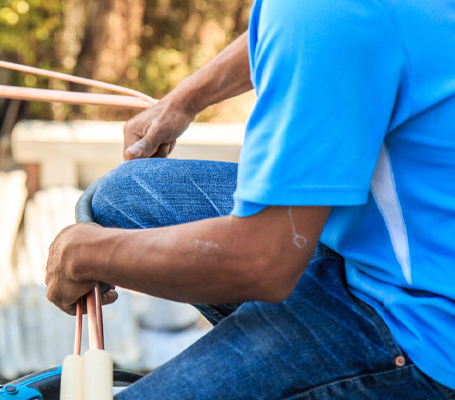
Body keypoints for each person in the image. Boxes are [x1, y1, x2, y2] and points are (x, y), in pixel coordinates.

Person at [45, 0, 455, 397]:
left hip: (423, 329)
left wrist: (85, 254)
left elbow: (263, 262)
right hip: (399, 246)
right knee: (124, 194)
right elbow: (304, 30)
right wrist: (183, 101)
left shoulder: (330, 11)